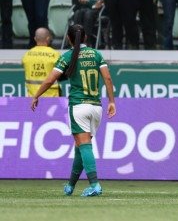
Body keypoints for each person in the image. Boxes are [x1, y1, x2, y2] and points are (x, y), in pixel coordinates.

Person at [30, 24, 116, 197]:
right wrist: (112, 101)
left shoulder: (68, 56)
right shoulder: (96, 54)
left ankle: (95, 185)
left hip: (78, 106)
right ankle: (70, 186)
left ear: (69, 38)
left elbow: (49, 80)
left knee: (84, 146)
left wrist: (36, 96)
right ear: (84, 38)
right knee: (80, 147)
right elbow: (107, 77)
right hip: (96, 107)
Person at [22, 28, 61, 97]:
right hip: (52, 98)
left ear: (35, 38)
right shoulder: (55, 54)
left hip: (32, 99)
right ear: (48, 38)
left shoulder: (27, 55)